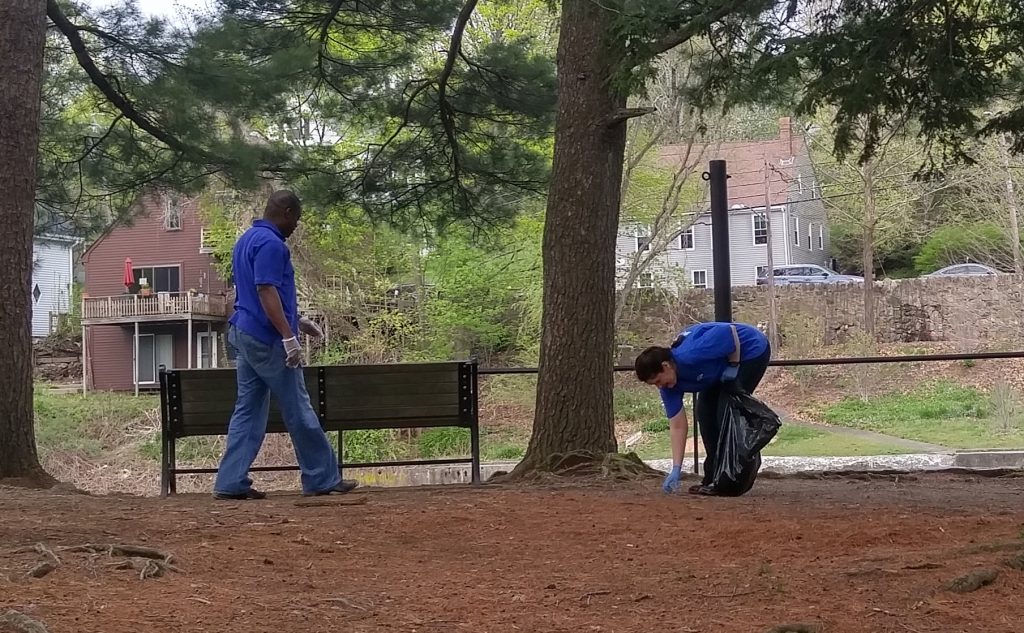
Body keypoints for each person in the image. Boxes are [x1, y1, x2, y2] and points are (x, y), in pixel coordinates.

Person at [213, 190, 357, 500]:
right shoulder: (272, 245)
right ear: (287, 212)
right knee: (298, 407)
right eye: (296, 221)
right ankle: (321, 477)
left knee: (247, 411)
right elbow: (266, 290)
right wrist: (288, 337)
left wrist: (297, 320)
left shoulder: (246, 240)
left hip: (244, 332)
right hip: (267, 339)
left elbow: (257, 293)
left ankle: (230, 481)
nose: (295, 228)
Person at [634, 321, 771, 495]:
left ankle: (738, 476)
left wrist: (734, 364)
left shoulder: (691, 354)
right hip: (717, 369)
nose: (661, 387)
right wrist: (676, 468)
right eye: (655, 385)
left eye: (659, 381)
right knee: (705, 415)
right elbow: (677, 425)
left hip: (751, 350)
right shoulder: (669, 387)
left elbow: (730, 333)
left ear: (666, 366)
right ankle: (712, 478)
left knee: (726, 412)